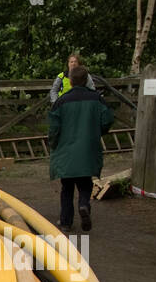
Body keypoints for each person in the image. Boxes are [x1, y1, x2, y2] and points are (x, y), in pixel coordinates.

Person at [48, 65, 114, 233]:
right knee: (85, 184)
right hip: (88, 149)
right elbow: (107, 119)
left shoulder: (62, 101)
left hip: (67, 150)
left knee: (67, 188)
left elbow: (54, 128)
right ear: (86, 80)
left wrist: (54, 144)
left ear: (70, 80)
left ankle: (66, 222)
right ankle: (84, 204)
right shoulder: (96, 99)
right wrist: (97, 132)